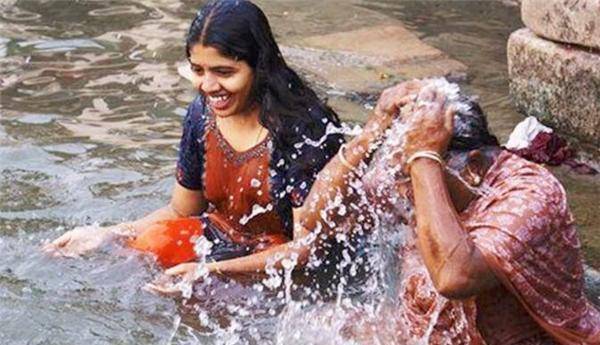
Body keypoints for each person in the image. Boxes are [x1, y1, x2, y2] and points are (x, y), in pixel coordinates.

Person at [44, 0, 416, 282]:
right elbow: (181, 212)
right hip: (224, 240)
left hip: (288, 260)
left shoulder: (302, 128)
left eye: (224, 72)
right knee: (140, 257)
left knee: (201, 298)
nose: (208, 86)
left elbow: (309, 247)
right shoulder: (200, 115)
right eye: (198, 71)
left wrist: (214, 273)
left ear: (260, 66)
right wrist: (108, 234)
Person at [357, 85, 600, 344]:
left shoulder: (530, 193)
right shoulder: (407, 180)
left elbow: (455, 277)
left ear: (473, 167)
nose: (402, 192)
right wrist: (372, 130)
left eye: (410, 176)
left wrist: (424, 158)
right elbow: (313, 224)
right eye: (401, 175)